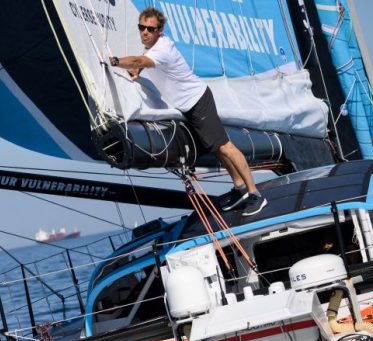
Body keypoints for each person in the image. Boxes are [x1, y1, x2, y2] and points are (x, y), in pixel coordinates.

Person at [109, 7, 267, 216]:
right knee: (217, 148)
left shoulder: (161, 50)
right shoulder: (154, 49)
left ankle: (255, 194)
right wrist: (139, 69)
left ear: (160, 30)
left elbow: (140, 60)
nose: (145, 32)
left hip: (198, 101)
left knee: (225, 146)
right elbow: (145, 61)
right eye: (141, 27)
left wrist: (115, 62)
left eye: (150, 29)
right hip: (190, 105)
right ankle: (239, 189)